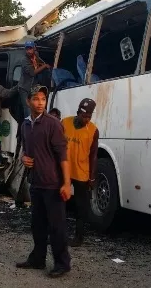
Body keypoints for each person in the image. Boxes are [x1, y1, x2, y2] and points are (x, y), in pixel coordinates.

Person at [16, 85, 71, 278]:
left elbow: (63, 155)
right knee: (37, 224)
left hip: (53, 184)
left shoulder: (53, 124)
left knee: (57, 227)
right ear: (28, 101)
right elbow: (26, 149)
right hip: (36, 182)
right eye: (36, 99)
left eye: (43, 99)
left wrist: (66, 183)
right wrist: (24, 158)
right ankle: (37, 259)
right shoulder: (25, 124)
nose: (40, 103)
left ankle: (62, 263)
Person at [61, 98, 99, 247]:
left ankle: (79, 237)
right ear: (78, 113)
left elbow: (93, 155)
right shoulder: (65, 123)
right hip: (64, 170)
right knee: (60, 203)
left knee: (80, 206)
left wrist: (92, 176)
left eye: (89, 116)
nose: (86, 119)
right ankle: (58, 234)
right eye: (84, 116)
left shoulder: (93, 130)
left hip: (82, 173)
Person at [18, 41, 51, 117]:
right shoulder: (24, 60)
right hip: (24, 88)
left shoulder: (36, 55)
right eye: (27, 49)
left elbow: (38, 62)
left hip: (33, 86)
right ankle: (29, 125)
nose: (29, 51)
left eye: (30, 49)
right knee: (28, 108)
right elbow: (32, 73)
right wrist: (44, 66)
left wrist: (42, 64)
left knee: (36, 106)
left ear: (34, 48)